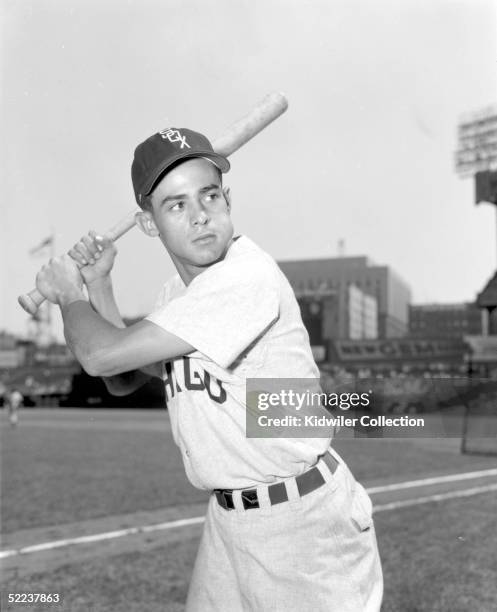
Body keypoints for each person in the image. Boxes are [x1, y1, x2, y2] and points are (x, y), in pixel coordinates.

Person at [35, 127, 383, 611]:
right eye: (176, 205)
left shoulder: (246, 277)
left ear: (228, 200)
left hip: (303, 525)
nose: (200, 216)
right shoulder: (177, 298)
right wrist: (99, 285)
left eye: (210, 195)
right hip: (228, 521)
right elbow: (121, 378)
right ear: (150, 224)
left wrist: (68, 294)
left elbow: (99, 357)